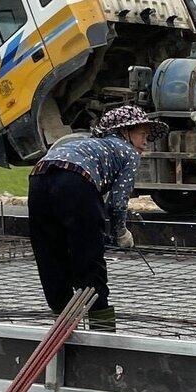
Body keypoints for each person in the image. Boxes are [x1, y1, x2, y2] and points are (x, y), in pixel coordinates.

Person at [27, 104, 166, 332]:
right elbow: (118, 202)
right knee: (89, 258)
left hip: (39, 177)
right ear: (125, 132)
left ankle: (61, 327)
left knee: (50, 254)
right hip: (76, 182)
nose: (145, 143)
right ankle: (102, 330)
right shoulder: (127, 152)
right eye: (142, 134)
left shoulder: (85, 144)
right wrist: (120, 232)